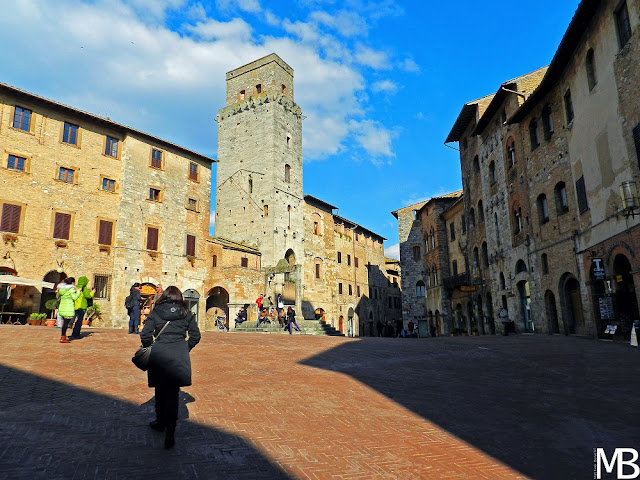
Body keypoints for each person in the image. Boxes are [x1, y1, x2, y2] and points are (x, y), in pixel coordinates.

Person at [140, 286, 201, 449]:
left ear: (164, 296)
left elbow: (145, 334)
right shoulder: (186, 312)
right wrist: (185, 347)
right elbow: (196, 336)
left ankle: (160, 423)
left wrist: (150, 347)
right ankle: (170, 433)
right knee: (173, 395)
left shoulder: (157, 310)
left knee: (160, 391)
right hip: (178, 354)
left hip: (159, 353)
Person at [57, 277, 80, 344]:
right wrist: (78, 292)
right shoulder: (71, 289)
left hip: (62, 307)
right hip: (68, 308)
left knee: (65, 323)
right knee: (66, 324)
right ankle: (63, 337)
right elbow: (74, 297)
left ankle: (63, 336)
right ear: (72, 283)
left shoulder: (62, 290)